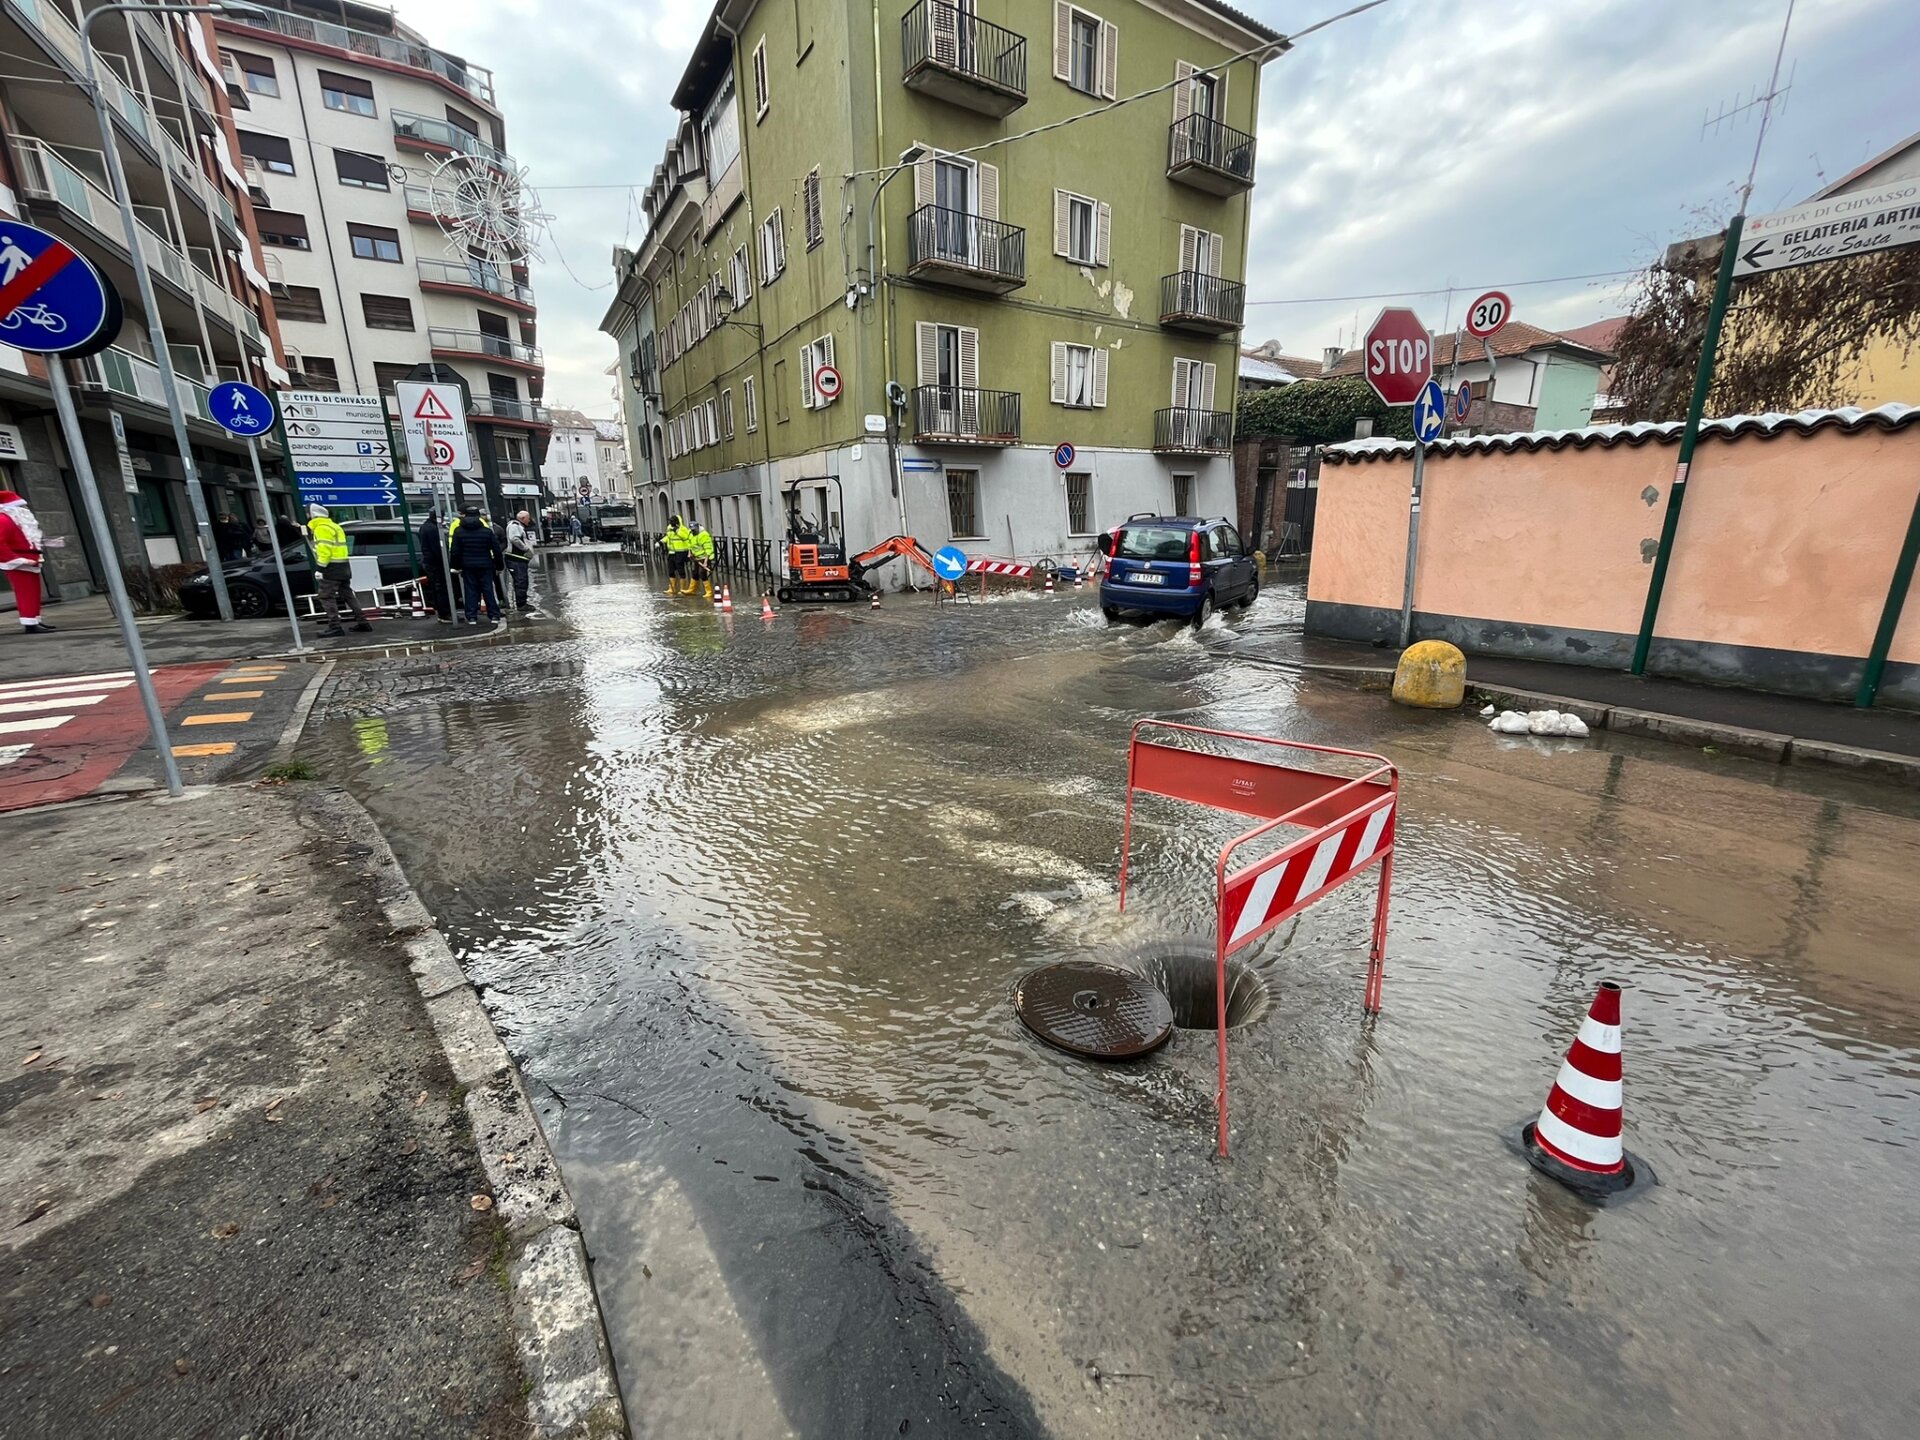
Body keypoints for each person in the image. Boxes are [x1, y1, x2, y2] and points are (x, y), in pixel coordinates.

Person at [305, 503, 371, 637]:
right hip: (343, 565)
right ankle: (363, 622)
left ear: (313, 515)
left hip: (331, 568)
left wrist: (320, 568)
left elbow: (325, 550)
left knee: (326, 596)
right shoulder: (335, 526)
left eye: (308, 513)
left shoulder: (321, 528)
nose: (307, 516)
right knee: (347, 595)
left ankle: (334, 626)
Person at [0, 488, 52, 633]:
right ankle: (30, 624)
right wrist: (17, 559)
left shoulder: (17, 521)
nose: (24, 509)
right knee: (25, 593)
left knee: (34, 592)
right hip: (19, 563)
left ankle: (35, 620)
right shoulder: (4, 520)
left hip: (30, 560)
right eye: (20, 506)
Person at [447, 505, 501, 625]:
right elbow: (496, 549)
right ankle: (494, 616)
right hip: (485, 564)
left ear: (465, 515)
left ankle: (471, 617)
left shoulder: (459, 531)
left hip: (467, 566)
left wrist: (455, 566)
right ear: (478, 516)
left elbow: (455, 551)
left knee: (470, 590)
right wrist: (499, 566)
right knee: (488, 590)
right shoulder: (486, 531)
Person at [418, 508, 452, 622]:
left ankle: (442, 613)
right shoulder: (433, 529)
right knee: (441, 589)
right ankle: (445, 614)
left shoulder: (425, 526)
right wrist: (446, 561)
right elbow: (437, 549)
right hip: (436, 564)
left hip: (429, 562)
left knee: (436, 588)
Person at [504, 510, 536, 612]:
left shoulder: (518, 526)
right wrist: (526, 549)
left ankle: (521, 602)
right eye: (528, 518)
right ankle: (521, 604)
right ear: (522, 519)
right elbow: (514, 539)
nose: (529, 520)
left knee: (521, 580)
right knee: (521, 581)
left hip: (518, 558)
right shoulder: (515, 526)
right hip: (516, 558)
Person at [662, 514, 693, 595]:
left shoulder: (683, 529)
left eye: (672, 521)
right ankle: (672, 588)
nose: (671, 523)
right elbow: (668, 537)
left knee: (681, 570)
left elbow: (685, 537)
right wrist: (661, 541)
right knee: (671, 570)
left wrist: (677, 531)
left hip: (681, 552)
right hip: (671, 552)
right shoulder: (669, 528)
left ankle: (682, 588)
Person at [689, 522, 716, 601]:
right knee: (695, 572)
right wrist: (690, 553)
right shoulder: (691, 534)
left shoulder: (704, 535)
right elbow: (690, 545)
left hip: (705, 557)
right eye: (692, 530)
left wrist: (705, 562)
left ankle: (709, 591)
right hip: (697, 557)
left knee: (702, 573)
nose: (693, 531)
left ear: (698, 528)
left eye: (694, 530)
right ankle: (692, 590)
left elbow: (708, 549)